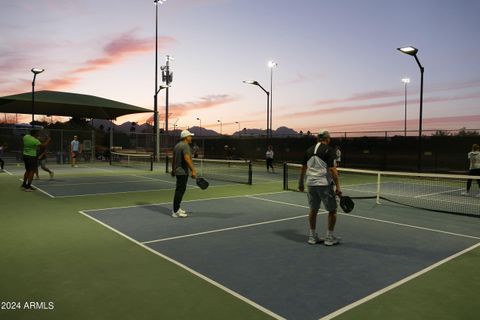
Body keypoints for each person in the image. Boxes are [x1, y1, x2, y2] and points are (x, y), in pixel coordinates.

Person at [298, 130, 342, 246]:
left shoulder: (308, 150)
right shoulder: (330, 150)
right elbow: (333, 170)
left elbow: (303, 168)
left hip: (310, 184)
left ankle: (312, 237)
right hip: (324, 185)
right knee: (332, 211)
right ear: (327, 139)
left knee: (313, 209)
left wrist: (301, 183)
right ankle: (329, 237)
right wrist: (338, 187)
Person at [171, 130, 197, 218]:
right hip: (182, 172)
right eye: (190, 136)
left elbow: (173, 159)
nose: (191, 137)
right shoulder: (185, 146)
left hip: (178, 171)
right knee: (180, 191)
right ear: (186, 137)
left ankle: (177, 208)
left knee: (179, 191)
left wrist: (173, 169)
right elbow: (187, 159)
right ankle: (175, 211)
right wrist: (193, 170)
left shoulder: (177, 146)